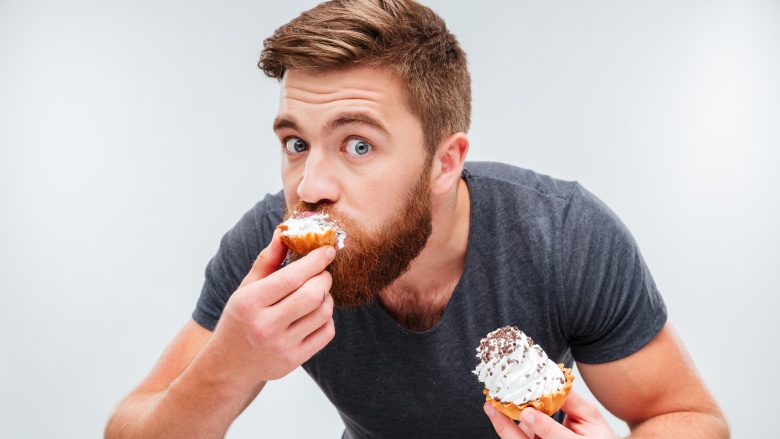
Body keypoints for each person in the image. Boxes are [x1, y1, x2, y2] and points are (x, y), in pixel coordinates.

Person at [105, 0, 729, 438]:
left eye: (357, 145)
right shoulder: (266, 248)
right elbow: (128, 429)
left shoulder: (564, 237)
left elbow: (689, 418)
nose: (310, 187)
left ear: (445, 161)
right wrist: (228, 365)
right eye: (296, 143)